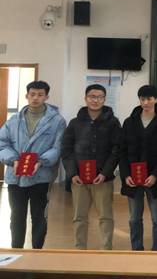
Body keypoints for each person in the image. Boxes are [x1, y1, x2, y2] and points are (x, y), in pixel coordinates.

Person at [0, 80, 66, 249]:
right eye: (32, 94)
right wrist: (13, 160)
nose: (36, 98)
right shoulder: (14, 120)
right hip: (16, 176)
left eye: (40, 94)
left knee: (39, 216)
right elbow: (2, 143)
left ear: (46, 97)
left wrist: (41, 161)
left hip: (41, 177)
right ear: (27, 96)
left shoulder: (57, 121)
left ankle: (37, 251)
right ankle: (16, 251)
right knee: (16, 216)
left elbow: (58, 147)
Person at [61, 84, 121, 250]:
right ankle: (79, 249)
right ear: (85, 98)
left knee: (105, 216)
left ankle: (106, 249)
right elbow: (66, 150)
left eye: (100, 97)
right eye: (92, 97)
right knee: (79, 216)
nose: (96, 100)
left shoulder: (113, 122)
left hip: (103, 179)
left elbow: (117, 150)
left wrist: (105, 173)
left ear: (104, 99)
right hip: (79, 179)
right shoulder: (75, 123)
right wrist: (72, 173)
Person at [119, 85, 157, 251]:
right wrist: (126, 175)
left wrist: (155, 175)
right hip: (133, 178)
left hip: (156, 177)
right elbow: (122, 151)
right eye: (142, 99)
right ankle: (137, 249)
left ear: (156, 99)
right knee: (134, 218)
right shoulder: (129, 122)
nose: (145, 102)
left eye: (149, 99)